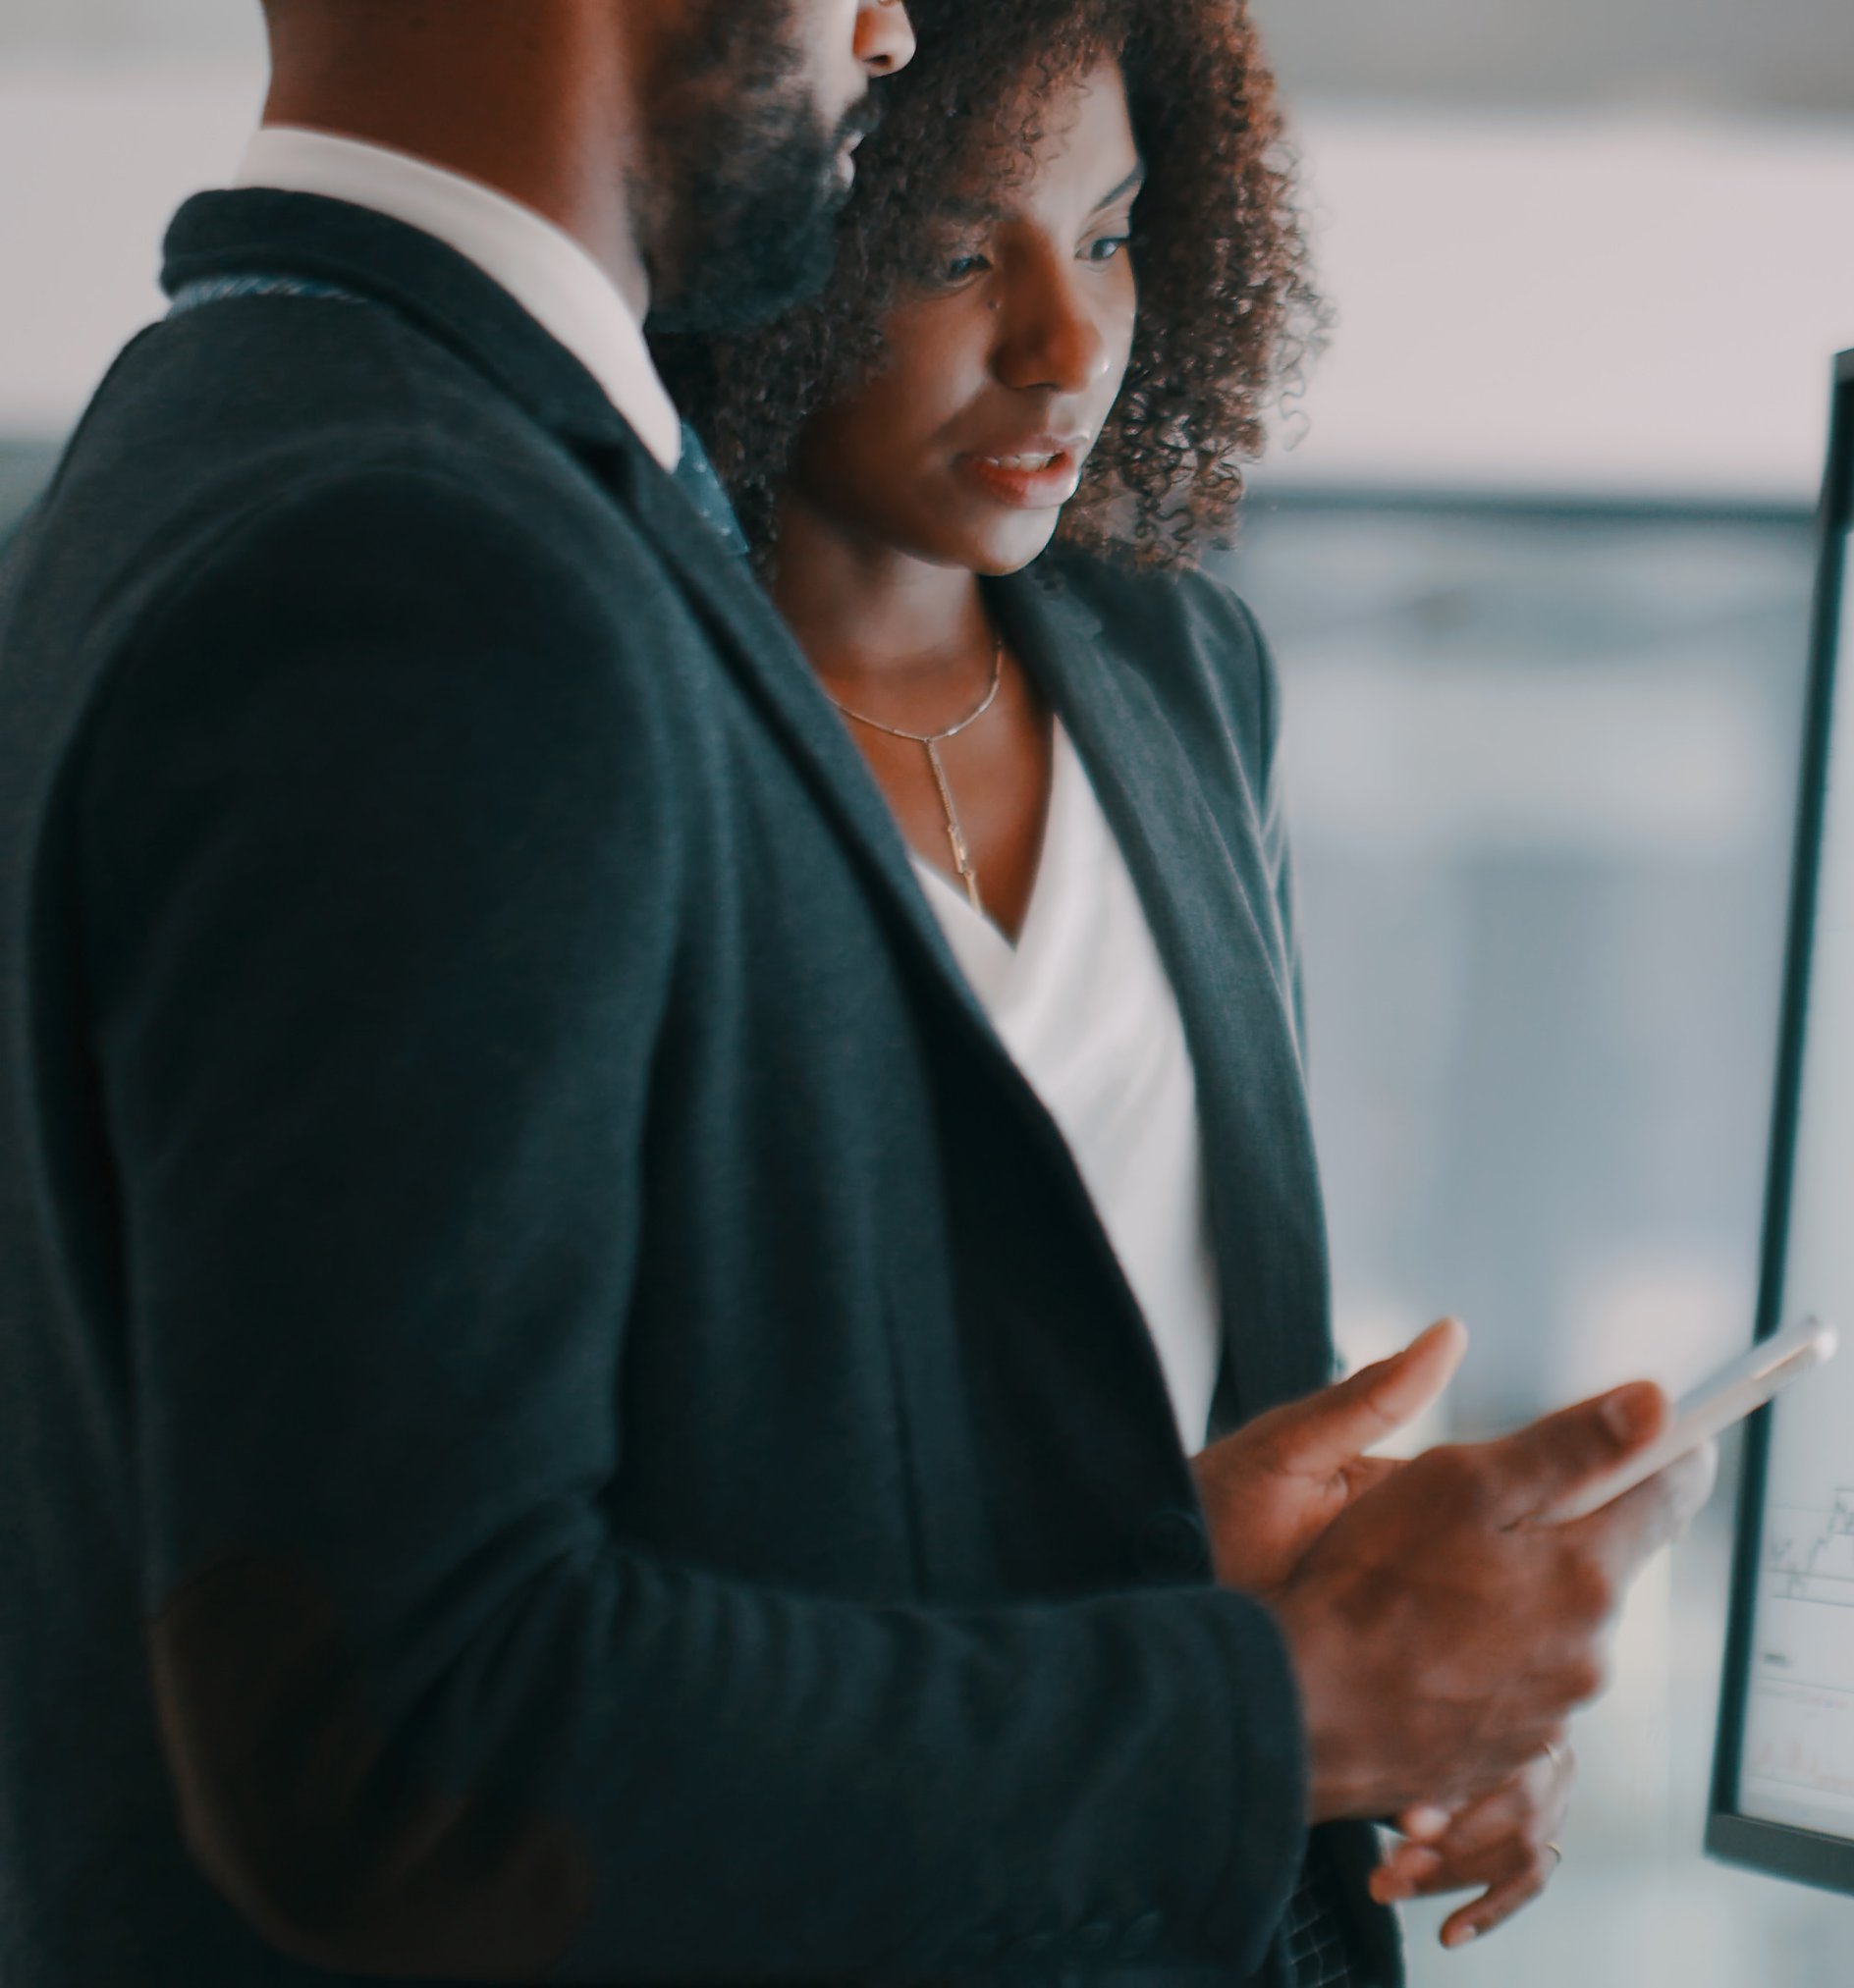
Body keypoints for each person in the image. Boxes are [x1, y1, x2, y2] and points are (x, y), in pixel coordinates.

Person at [0, 0, 1701, 1979]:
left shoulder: (206, 447)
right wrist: (1296, 1700)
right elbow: (417, 1736)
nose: (885, 23)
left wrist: (1163, 1588)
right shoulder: (435, 563)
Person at [649, 0, 1618, 1960]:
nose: (1069, 341)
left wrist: (1428, 1686)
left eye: (1106, 235)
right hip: (842, 1882)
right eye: (955, 255)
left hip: (1211, 1894)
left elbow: (1237, 1361)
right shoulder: (635, 718)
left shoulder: (1183, 675)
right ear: (769, 265)